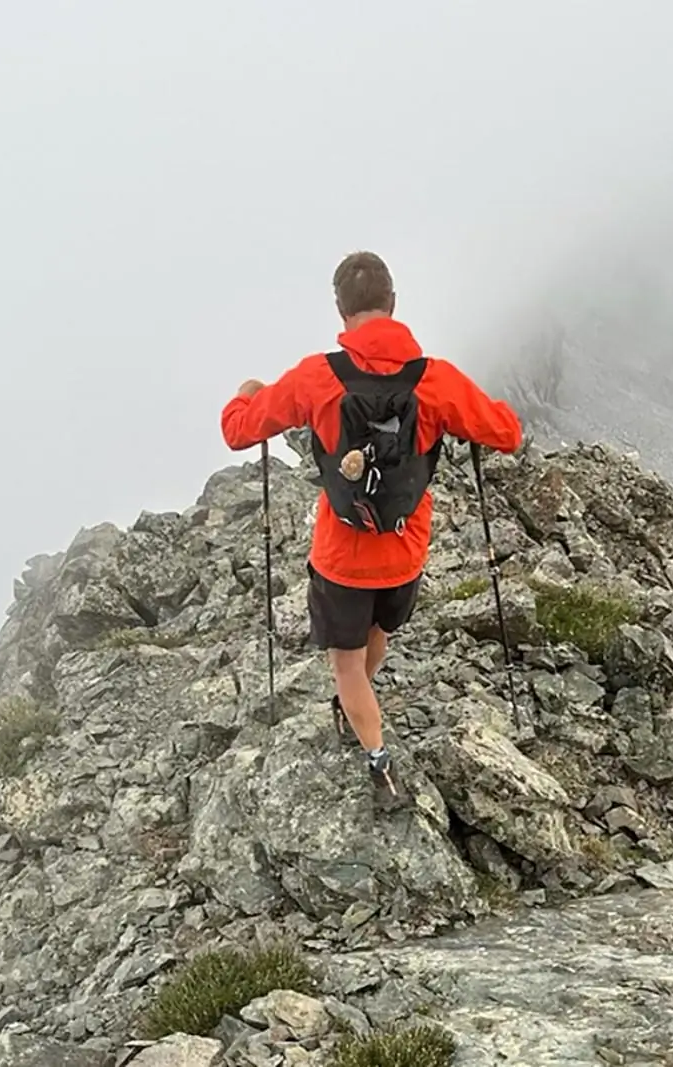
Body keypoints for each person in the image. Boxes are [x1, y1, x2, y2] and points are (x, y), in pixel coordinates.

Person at [220, 251, 523, 809]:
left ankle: (378, 761)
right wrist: (485, 406)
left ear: (341, 311)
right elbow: (506, 432)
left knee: (344, 662)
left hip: (342, 553)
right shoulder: (434, 379)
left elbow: (239, 431)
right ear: (393, 303)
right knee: (378, 631)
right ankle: (357, 706)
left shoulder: (318, 377)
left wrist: (246, 393)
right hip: (404, 549)